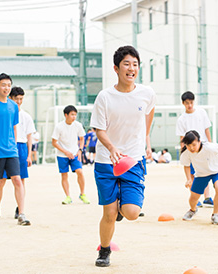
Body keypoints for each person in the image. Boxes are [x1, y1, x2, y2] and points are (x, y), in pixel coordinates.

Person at [90, 45, 155, 267]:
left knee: (132, 213)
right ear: (116, 68)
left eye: (135, 64)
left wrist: (145, 139)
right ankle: (104, 250)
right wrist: (112, 148)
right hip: (106, 161)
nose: (131, 68)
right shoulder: (105, 97)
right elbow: (99, 129)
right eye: (126, 64)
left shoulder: (147, 94)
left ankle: (122, 205)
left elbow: (149, 113)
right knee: (108, 213)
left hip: (133, 160)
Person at [0, 73, 30, 226]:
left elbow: (14, 128)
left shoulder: (13, 106)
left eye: (9, 85)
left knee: (17, 180)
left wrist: (14, 145)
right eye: (3, 85)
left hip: (11, 151)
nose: (6, 88)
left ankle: (21, 214)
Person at [0, 87, 36, 219]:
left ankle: (19, 209)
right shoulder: (5, 113)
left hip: (21, 148)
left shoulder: (26, 116)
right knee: (1, 180)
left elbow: (29, 137)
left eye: (21, 99)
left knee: (20, 181)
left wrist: (29, 155)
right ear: (11, 98)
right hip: (6, 147)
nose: (19, 101)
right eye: (17, 99)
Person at [176, 91, 213, 208]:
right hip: (190, 150)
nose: (190, 105)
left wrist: (210, 144)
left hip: (203, 147)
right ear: (183, 103)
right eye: (187, 103)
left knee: (205, 172)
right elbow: (182, 138)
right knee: (192, 175)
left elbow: (207, 130)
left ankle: (207, 197)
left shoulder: (201, 112)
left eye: (191, 102)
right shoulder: (181, 119)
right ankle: (195, 198)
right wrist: (184, 152)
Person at [52, 105, 90, 205]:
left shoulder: (78, 125)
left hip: (75, 153)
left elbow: (82, 138)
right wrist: (65, 152)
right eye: (72, 114)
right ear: (66, 115)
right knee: (64, 175)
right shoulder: (59, 126)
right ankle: (68, 196)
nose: (74, 117)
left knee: (80, 172)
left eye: (75, 115)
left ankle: (82, 194)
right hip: (62, 155)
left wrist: (80, 150)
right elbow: (54, 142)